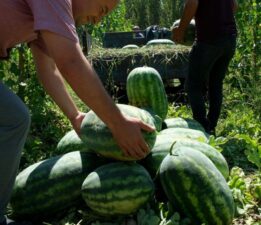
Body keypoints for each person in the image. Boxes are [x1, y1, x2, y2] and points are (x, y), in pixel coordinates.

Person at [0, 0, 155, 224]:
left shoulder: (50, 15)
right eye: (101, 9)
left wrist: (75, 116)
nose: (98, 19)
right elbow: (70, 61)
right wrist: (117, 123)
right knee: (14, 119)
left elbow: (48, 68)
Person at [172, 0, 238, 135]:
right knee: (216, 83)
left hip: (209, 39)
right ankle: (211, 126)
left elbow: (192, 3)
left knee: (193, 85)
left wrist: (181, 30)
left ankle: (202, 127)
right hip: (230, 39)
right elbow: (234, 5)